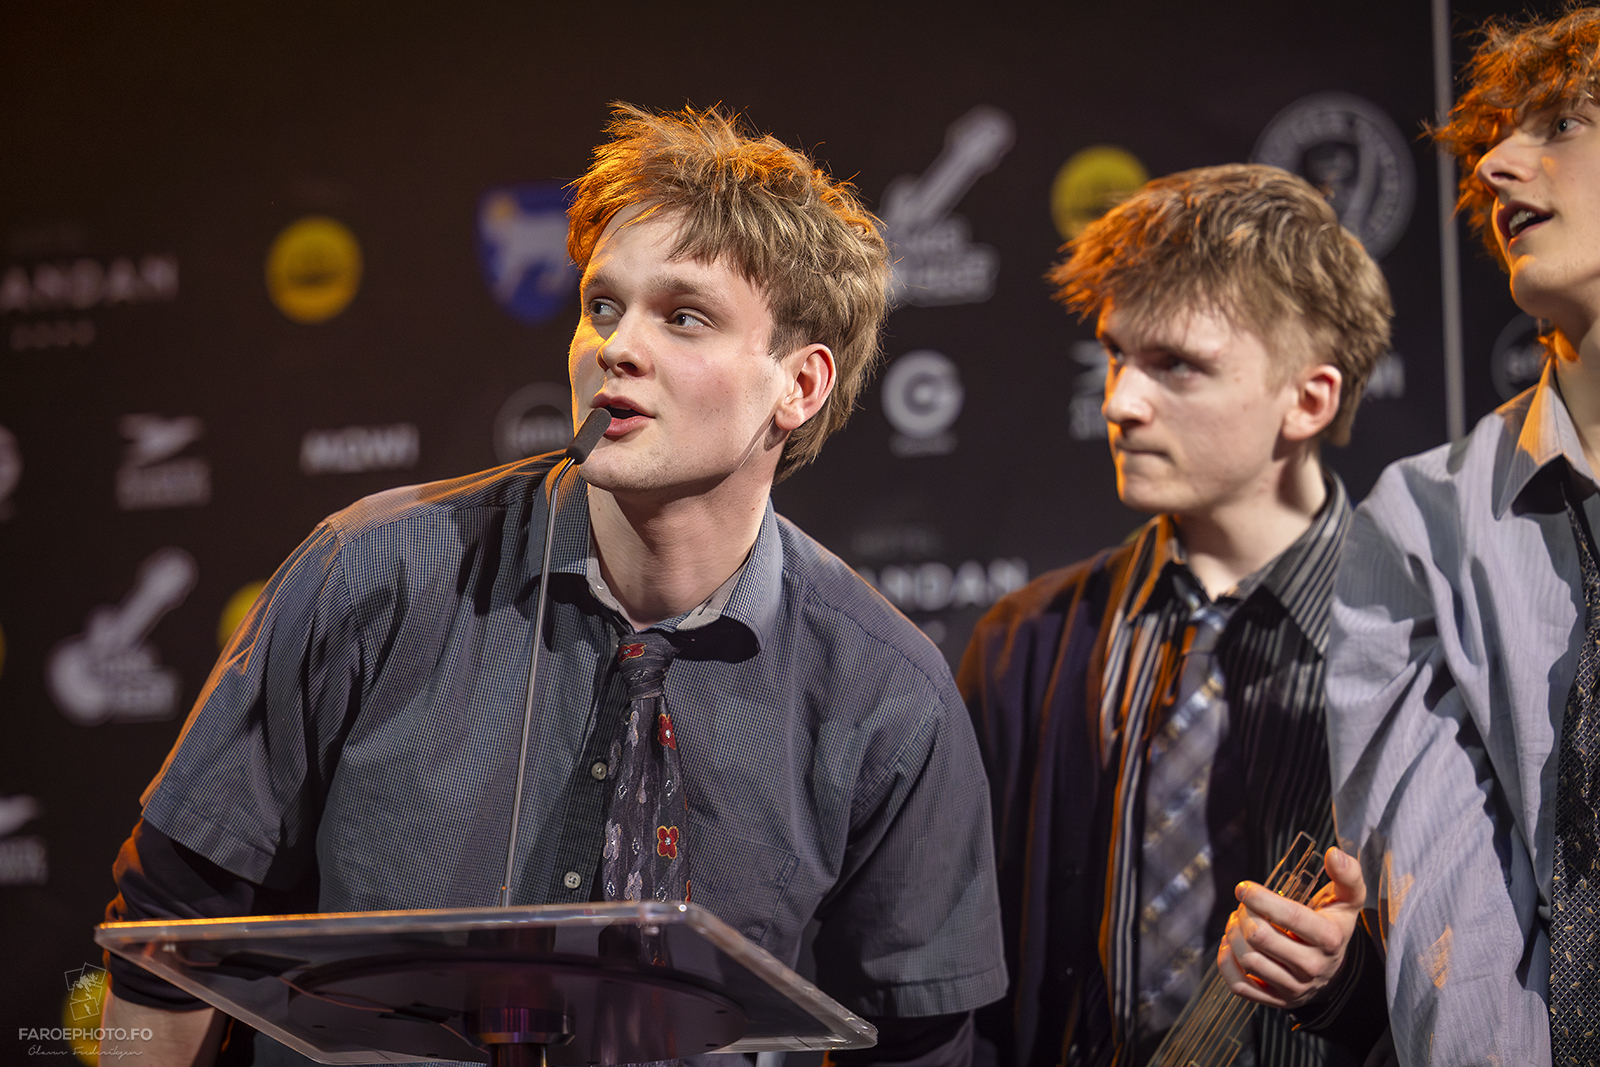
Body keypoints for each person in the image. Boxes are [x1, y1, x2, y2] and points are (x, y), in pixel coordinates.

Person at [98, 103, 1007, 1067]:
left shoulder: (887, 692)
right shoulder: (369, 572)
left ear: (801, 385)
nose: (615, 347)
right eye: (603, 306)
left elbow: (915, 1043)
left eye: (684, 316)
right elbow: (169, 940)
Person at [959, 163, 1393, 1067]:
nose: (1119, 402)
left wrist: (1352, 988)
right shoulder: (1024, 644)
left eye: (1177, 366)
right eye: (1117, 355)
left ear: (1308, 399)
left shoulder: (1423, 643)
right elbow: (958, 974)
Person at [1329, 8, 1600, 1064]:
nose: (1492, 166)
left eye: (1564, 124)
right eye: (1495, 138)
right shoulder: (1422, 525)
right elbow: (1457, 945)